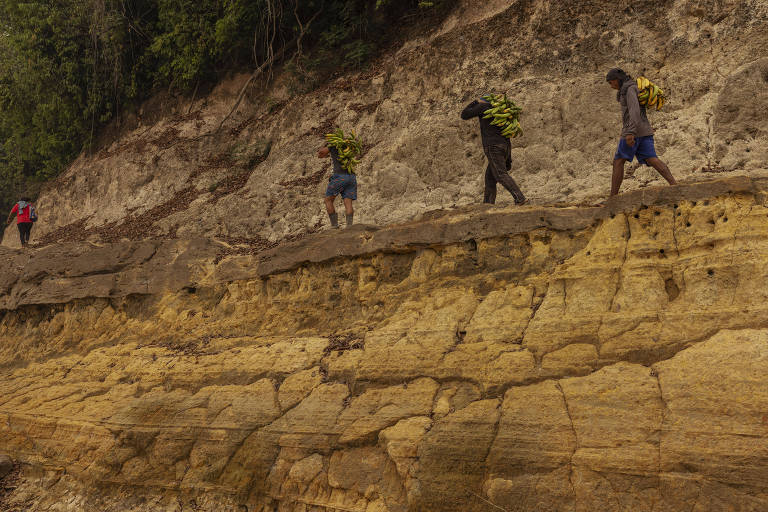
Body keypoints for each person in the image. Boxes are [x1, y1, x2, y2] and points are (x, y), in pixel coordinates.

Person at [606, 68, 677, 196]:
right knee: (652, 159)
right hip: (645, 130)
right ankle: (675, 186)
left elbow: (634, 110)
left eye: (611, 82)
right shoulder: (631, 88)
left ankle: (612, 198)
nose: (611, 86)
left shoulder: (629, 89)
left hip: (633, 130)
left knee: (618, 161)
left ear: (617, 79)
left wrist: (630, 132)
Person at [461, 95, 527, 205]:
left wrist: (475, 102)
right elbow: (507, 136)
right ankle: (487, 205)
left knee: (500, 175)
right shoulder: (501, 113)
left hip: (493, 147)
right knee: (489, 178)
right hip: (504, 146)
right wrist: (508, 157)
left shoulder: (483, 106)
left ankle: (520, 199)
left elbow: (464, 114)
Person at [318, 142, 357, 229]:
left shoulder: (333, 145)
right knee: (348, 202)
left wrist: (324, 145)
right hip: (351, 177)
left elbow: (321, 154)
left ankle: (334, 225)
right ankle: (349, 226)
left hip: (340, 176)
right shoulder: (348, 146)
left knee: (328, 200)